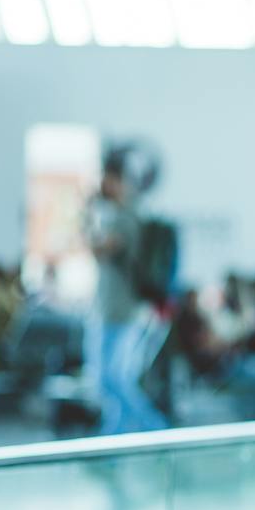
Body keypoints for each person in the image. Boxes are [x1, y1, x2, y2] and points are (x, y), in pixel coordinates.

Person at [85, 147, 167, 434]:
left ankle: (157, 429)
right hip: (120, 310)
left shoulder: (127, 216)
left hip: (122, 312)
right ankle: (111, 442)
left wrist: (88, 215)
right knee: (114, 381)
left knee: (112, 380)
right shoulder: (126, 214)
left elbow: (99, 248)